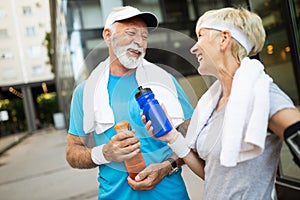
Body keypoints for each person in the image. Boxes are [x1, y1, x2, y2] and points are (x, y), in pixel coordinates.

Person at [144, 7, 300, 200]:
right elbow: (212, 177)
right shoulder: (211, 104)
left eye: (200, 35)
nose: (194, 48)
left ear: (224, 39)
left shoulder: (260, 94)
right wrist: (172, 136)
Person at [66, 6, 194, 200]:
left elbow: (192, 139)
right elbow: (73, 152)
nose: (139, 42)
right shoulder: (85, 92)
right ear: (108, 35)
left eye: (144, 36)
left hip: (170, 195)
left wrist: (168, 165)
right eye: (131, 33)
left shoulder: (165, 81)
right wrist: (105, 153)